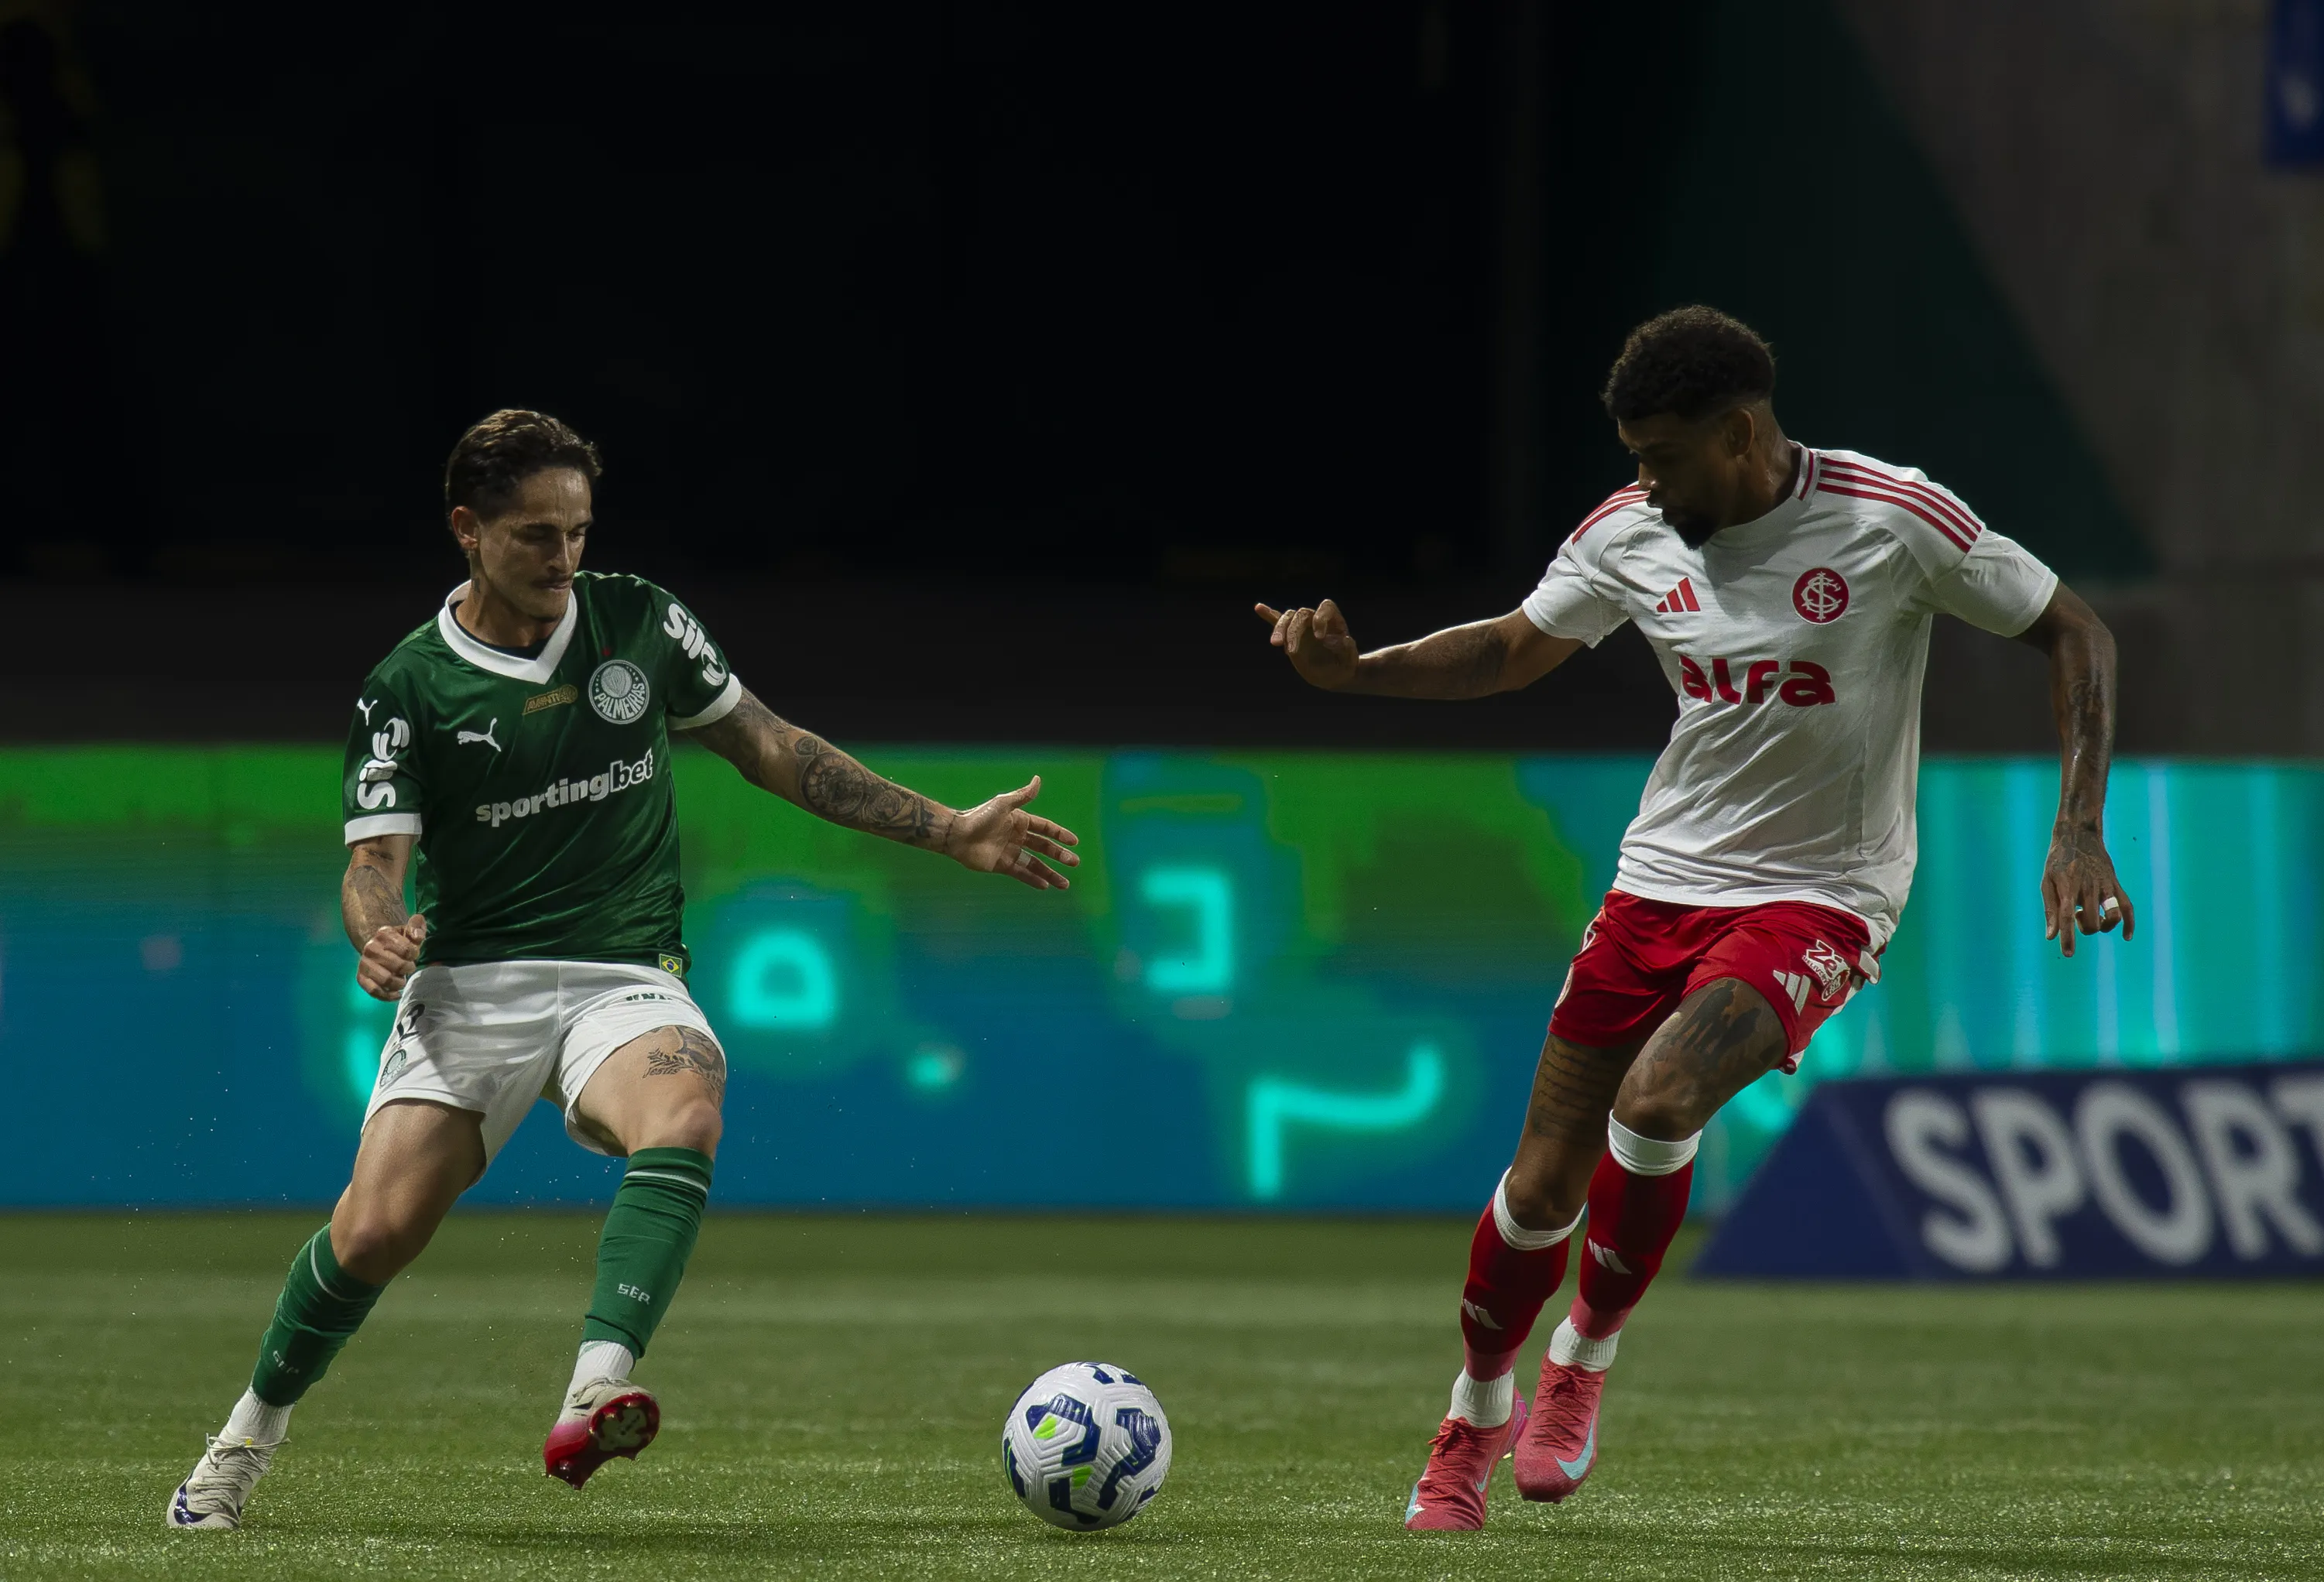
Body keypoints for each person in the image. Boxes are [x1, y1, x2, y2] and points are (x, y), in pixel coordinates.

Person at [1254, 306, 2134, 1532]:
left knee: (1658, 1101)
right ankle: (1472, 1415)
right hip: (1657, 882)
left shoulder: (1892, 519)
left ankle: (1583, 1365)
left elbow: (2071, 628)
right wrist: (1358, 673)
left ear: (1740, 433)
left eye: (1662, 456)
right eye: (1632, 456)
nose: (1643, 481)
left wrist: (2076, 824)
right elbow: (1512, 648)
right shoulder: (1628, 532)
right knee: (1537, 1188)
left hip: (1821, 893)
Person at [170, 409, 1081, 1530]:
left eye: (578, 531)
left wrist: (946, 828)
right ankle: (244, 1437)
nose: (563, 560)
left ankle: (595, 1384)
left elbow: (771, 746)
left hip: (622, 973)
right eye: (534, 536)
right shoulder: (405, 688)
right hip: (473, 987)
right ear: (467, 529)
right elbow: (374, 864)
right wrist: (378, 928)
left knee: (686, 1110)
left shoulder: (638, 621)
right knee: (372, 1235)